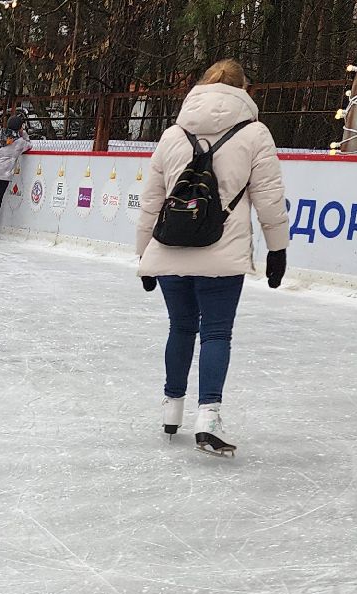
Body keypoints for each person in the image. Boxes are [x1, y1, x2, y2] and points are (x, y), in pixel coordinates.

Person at [136, 59, 289, 457]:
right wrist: (278, 248)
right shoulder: (255, 133)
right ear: (245, 91)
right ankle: (208, 418)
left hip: (171, 247)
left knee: (180, 328)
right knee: (217, 334)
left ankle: (172, 407)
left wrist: (143, 255)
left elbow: (152, 199)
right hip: (222, 252)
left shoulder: (173, 134)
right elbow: (269, 197)